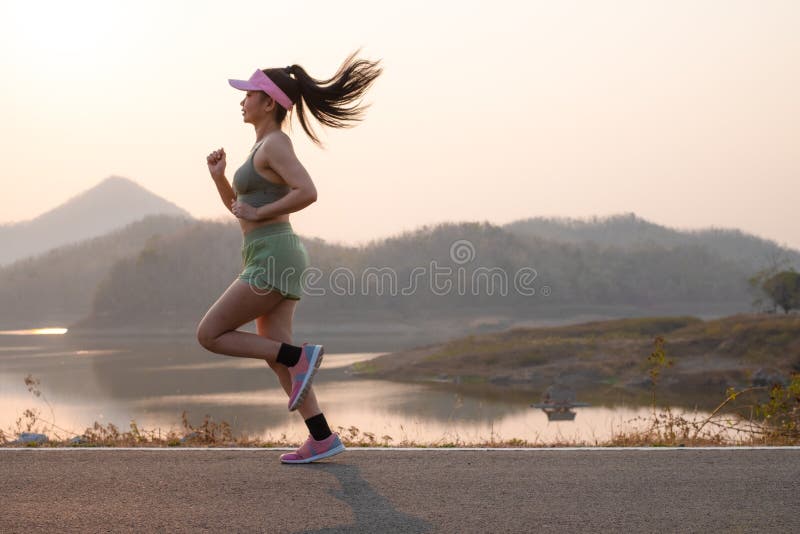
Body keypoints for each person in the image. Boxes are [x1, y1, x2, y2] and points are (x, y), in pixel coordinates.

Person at [196, 51, 382, 463]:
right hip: (269, 252)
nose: (241, 101)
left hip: (274, 254)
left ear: (268, 102)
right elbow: (240, 210)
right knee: (275, 354)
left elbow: (308, 191)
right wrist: (220, 178)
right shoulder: (261, 146)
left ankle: (301, 357)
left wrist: (260, 212)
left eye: (248, 94)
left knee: (210, 334)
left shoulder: (276, 143)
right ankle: (321, 437)